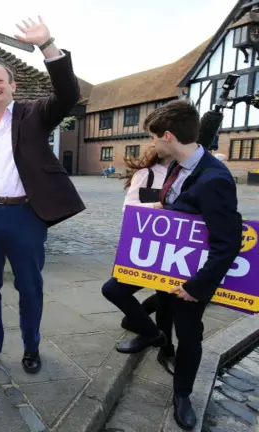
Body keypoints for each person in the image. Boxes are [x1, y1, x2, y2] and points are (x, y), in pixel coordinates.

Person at [103, 100, 242, 430]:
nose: (152, 143)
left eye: (153, 137)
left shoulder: (215, 180)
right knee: (113, 288)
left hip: (193, 274)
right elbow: (175, 201)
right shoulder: (180, 163)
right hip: (165, 261)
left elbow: (228, 243)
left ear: (168, 136)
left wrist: (197, 287)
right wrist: (148, 207)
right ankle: (153, 336)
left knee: (190, 336)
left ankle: (182, 396)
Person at [0, 16, 86, 381]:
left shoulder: (33, 114)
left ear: (12, 86)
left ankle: (31, 346)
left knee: (29, 288)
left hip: (25, 217)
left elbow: (68, 95)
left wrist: (48, 45)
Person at [105, 146, 176, 375]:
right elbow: (129, 210)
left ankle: (166, 351)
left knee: (167, 296)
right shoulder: (149, 173)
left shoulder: (191, 174)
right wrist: (159, 206)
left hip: (176, 248)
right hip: (146, 247)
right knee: (114, 289)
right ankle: (151, 333)